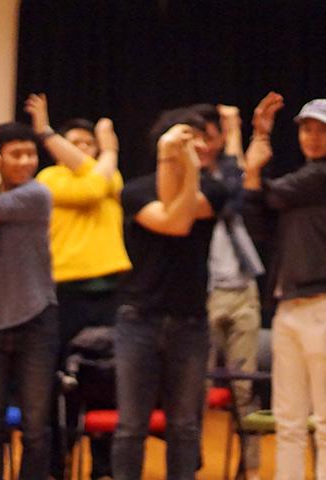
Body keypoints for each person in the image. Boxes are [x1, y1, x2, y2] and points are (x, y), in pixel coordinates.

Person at [241, 92, 326, 480]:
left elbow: (266, 195)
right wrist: (256, 157)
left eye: (323, 130)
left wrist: (256, 168)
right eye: (307, 128)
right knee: (288, 419)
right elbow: (257, 218)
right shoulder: (300, 188)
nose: (312, 136)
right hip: (290, 304)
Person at [112, 108, 227, 479]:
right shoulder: (135, 190)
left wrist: (188, 165)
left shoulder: (214, 189)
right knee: (131, 426)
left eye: (201, 139)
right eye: (185, 139)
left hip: (190, 322)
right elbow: (173, 221)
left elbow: (179, 217)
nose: (198, 146)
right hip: (138, 320)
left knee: (185, 425)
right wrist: (168, 156)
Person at [25, 94, 131, 480]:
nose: (81, 150)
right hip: (63, 291)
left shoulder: (111, 176)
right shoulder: (48, 180)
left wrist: (107, 155)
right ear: (58, 150)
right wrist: (108, 149)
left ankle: (103, 465)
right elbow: (89, 188)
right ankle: (57, 464)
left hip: (109, 291)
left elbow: (98, 181)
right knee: (58, 381)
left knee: (107, 381)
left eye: (88, 144)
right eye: (74, 143)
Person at [0, 121, 57, 480]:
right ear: (0, 157)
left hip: (37, 317)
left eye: (31, 153)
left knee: (35, 426)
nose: (26, 161)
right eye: (16, 153)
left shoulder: (38, 193)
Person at [188, 102, 265, 479]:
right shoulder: (184, 174)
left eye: (210, 134)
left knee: (244, 388)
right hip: (199, 293)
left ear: (219, 138)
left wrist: (236, 129)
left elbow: (236, 193)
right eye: (197, 135)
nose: (204, 142)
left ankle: (249, 467)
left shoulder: (232, 178)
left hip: (241, 290)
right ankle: (192, 464)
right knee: (193, 390)